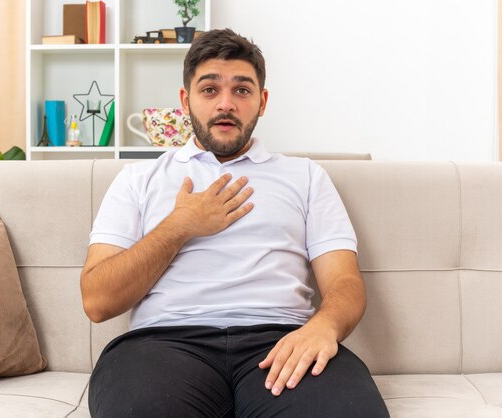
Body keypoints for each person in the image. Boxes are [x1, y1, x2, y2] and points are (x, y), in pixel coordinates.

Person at [81, 28, 389, 418]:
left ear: (262, 102)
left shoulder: (306, 177)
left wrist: (324, 326)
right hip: (162, 345)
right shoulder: (138, 180)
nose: (225, 104)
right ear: (185, 99)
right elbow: (97, 301)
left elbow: (344, 281)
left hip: (282, 342)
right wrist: (179, 226)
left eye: (242, 90)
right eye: (209, 90)